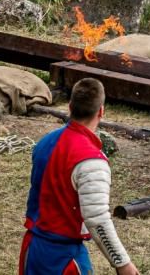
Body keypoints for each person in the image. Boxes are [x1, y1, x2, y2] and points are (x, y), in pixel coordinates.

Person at [20, 79, 139, 275]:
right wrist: (122, 263)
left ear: (70, 107)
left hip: (32, 251)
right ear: (101, 111)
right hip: (63, 260)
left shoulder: (44, 142)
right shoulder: (92, 161)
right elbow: (97, 218)